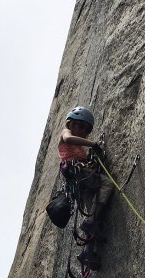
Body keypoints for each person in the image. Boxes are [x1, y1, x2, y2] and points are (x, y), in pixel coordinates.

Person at [58, 106, 114, 269]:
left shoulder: (80, 149)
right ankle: (90, 225)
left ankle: (87, 254)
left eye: (86, 129)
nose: (82, 131)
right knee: (107, 183)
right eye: (79, 126)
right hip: (78, 176)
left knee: (94, 217)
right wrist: (93, 144)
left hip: (82, 181)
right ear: (71, 124)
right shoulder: (65, 133)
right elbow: (68, 139)